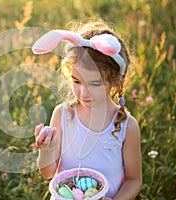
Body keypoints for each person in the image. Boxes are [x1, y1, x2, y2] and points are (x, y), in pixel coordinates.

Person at [32, 21, 142, 199]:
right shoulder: (63, 115)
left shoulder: (126, 126)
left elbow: (134, 180)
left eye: (95, 84)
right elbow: (48, 173)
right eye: (77, 81)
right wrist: (46, 150)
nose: (83, 93)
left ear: (115, 81)